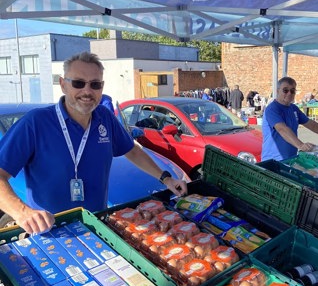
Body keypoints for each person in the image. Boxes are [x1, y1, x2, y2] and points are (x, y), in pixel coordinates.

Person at [0, 52, 187, 235]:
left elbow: (132, 151)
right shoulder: (35, 123)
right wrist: (22, 212)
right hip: (51, 232)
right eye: (78, 83)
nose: (87, 91)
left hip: (97, 227)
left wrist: (166, 178)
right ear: (63, 85)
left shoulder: (104, 117)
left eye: (95, 84)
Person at [261, 76, 318, 161]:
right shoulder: (272, 109)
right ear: (277, 91)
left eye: (292, 91)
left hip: (291, 158)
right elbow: (282, 129)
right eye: (285, 90)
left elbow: (312, 125)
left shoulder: (293, 108)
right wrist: (301, 145)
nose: (289, 93)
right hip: (273, 160)